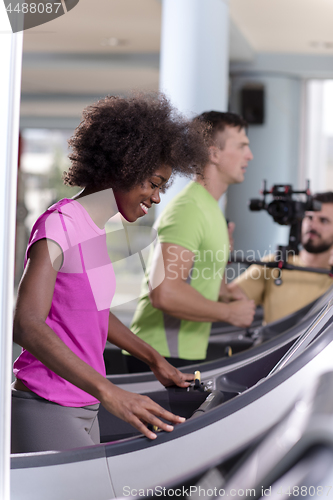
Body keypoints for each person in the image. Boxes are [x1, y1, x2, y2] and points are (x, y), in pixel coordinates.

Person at [11, 93, 210, 453]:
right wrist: (110, 391)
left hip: (85, 404)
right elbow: (25, 323)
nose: (156, 196)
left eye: (162, 186)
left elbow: (93, 312)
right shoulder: (60, 224)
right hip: (46, 404)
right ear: (124, 167)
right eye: (152, 182)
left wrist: (154, 360)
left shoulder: (96, 229)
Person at [125, 111, 256, 372]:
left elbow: (196, 280)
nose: (249, 155)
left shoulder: (210, 209)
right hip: (157, 355)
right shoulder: (189, 210)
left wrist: (225, 293)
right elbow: (165, 293)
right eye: (241, 146)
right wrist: (229, 314)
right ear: (214, 154)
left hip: (183, 354)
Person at [227, 192, 333, 324]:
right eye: (309, 217)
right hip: (274, 344)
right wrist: (221, 252)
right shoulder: (273, 264)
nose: (313, 225)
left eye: (323, 220)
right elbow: (225, 297)